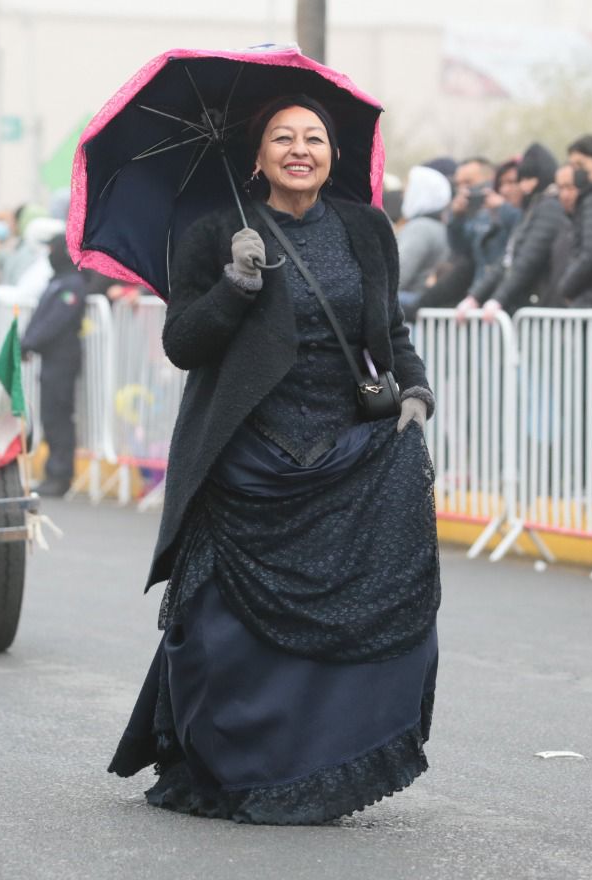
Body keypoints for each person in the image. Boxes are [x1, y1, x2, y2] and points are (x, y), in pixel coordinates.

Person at [109, 94, 440, 824]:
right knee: (228, 636)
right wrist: (235, 287)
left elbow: (389, 329)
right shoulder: (213, 232)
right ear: (256, 156)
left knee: (375, 612)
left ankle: (321, 763)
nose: (300, 150)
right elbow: (183, 345)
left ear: (333, 154)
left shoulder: (366, 227)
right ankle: (238, 766)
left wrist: (416, 390)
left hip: (350, 454)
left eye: (313, 138)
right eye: (282, 138)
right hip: (246, 458)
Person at [456, 143, 566, 321]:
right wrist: (474, 297)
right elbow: (508, 258)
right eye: (522, 179)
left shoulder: (548, 208)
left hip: (542, 307)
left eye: (529, 179)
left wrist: (498, 299)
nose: (524, 186)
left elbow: (528, 259)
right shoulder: (532, 209)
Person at [21, 232, 87, 497]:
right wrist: (26, 342)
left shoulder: (72, 284)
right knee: (50, 416)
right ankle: (53, 472)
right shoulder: (58, 282)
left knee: (59, 416)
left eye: (52, 248)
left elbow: (55, 321)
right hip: (51, 360)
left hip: (63, 360)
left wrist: (30, 342)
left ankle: (60, 474)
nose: (49, 254)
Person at [418, 157, 519, 308]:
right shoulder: (477, 216)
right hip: (478, 298)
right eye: (458, 184)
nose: (463, 190)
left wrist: (503, 209)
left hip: (503, 300)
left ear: (491, 180)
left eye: (468, 183)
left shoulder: (510, 210)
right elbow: (461, 251)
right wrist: (457, 219)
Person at [558, 133, 592, 308]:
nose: (576, 172)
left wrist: (566, 287)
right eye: (573, 166)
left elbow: (591, 254)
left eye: (581, 165)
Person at [395, 164, 451, 316]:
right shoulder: (441, 227)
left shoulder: (420, 228)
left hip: (411, 309)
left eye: (407, 189)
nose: (402, 195)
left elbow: (398, 275)